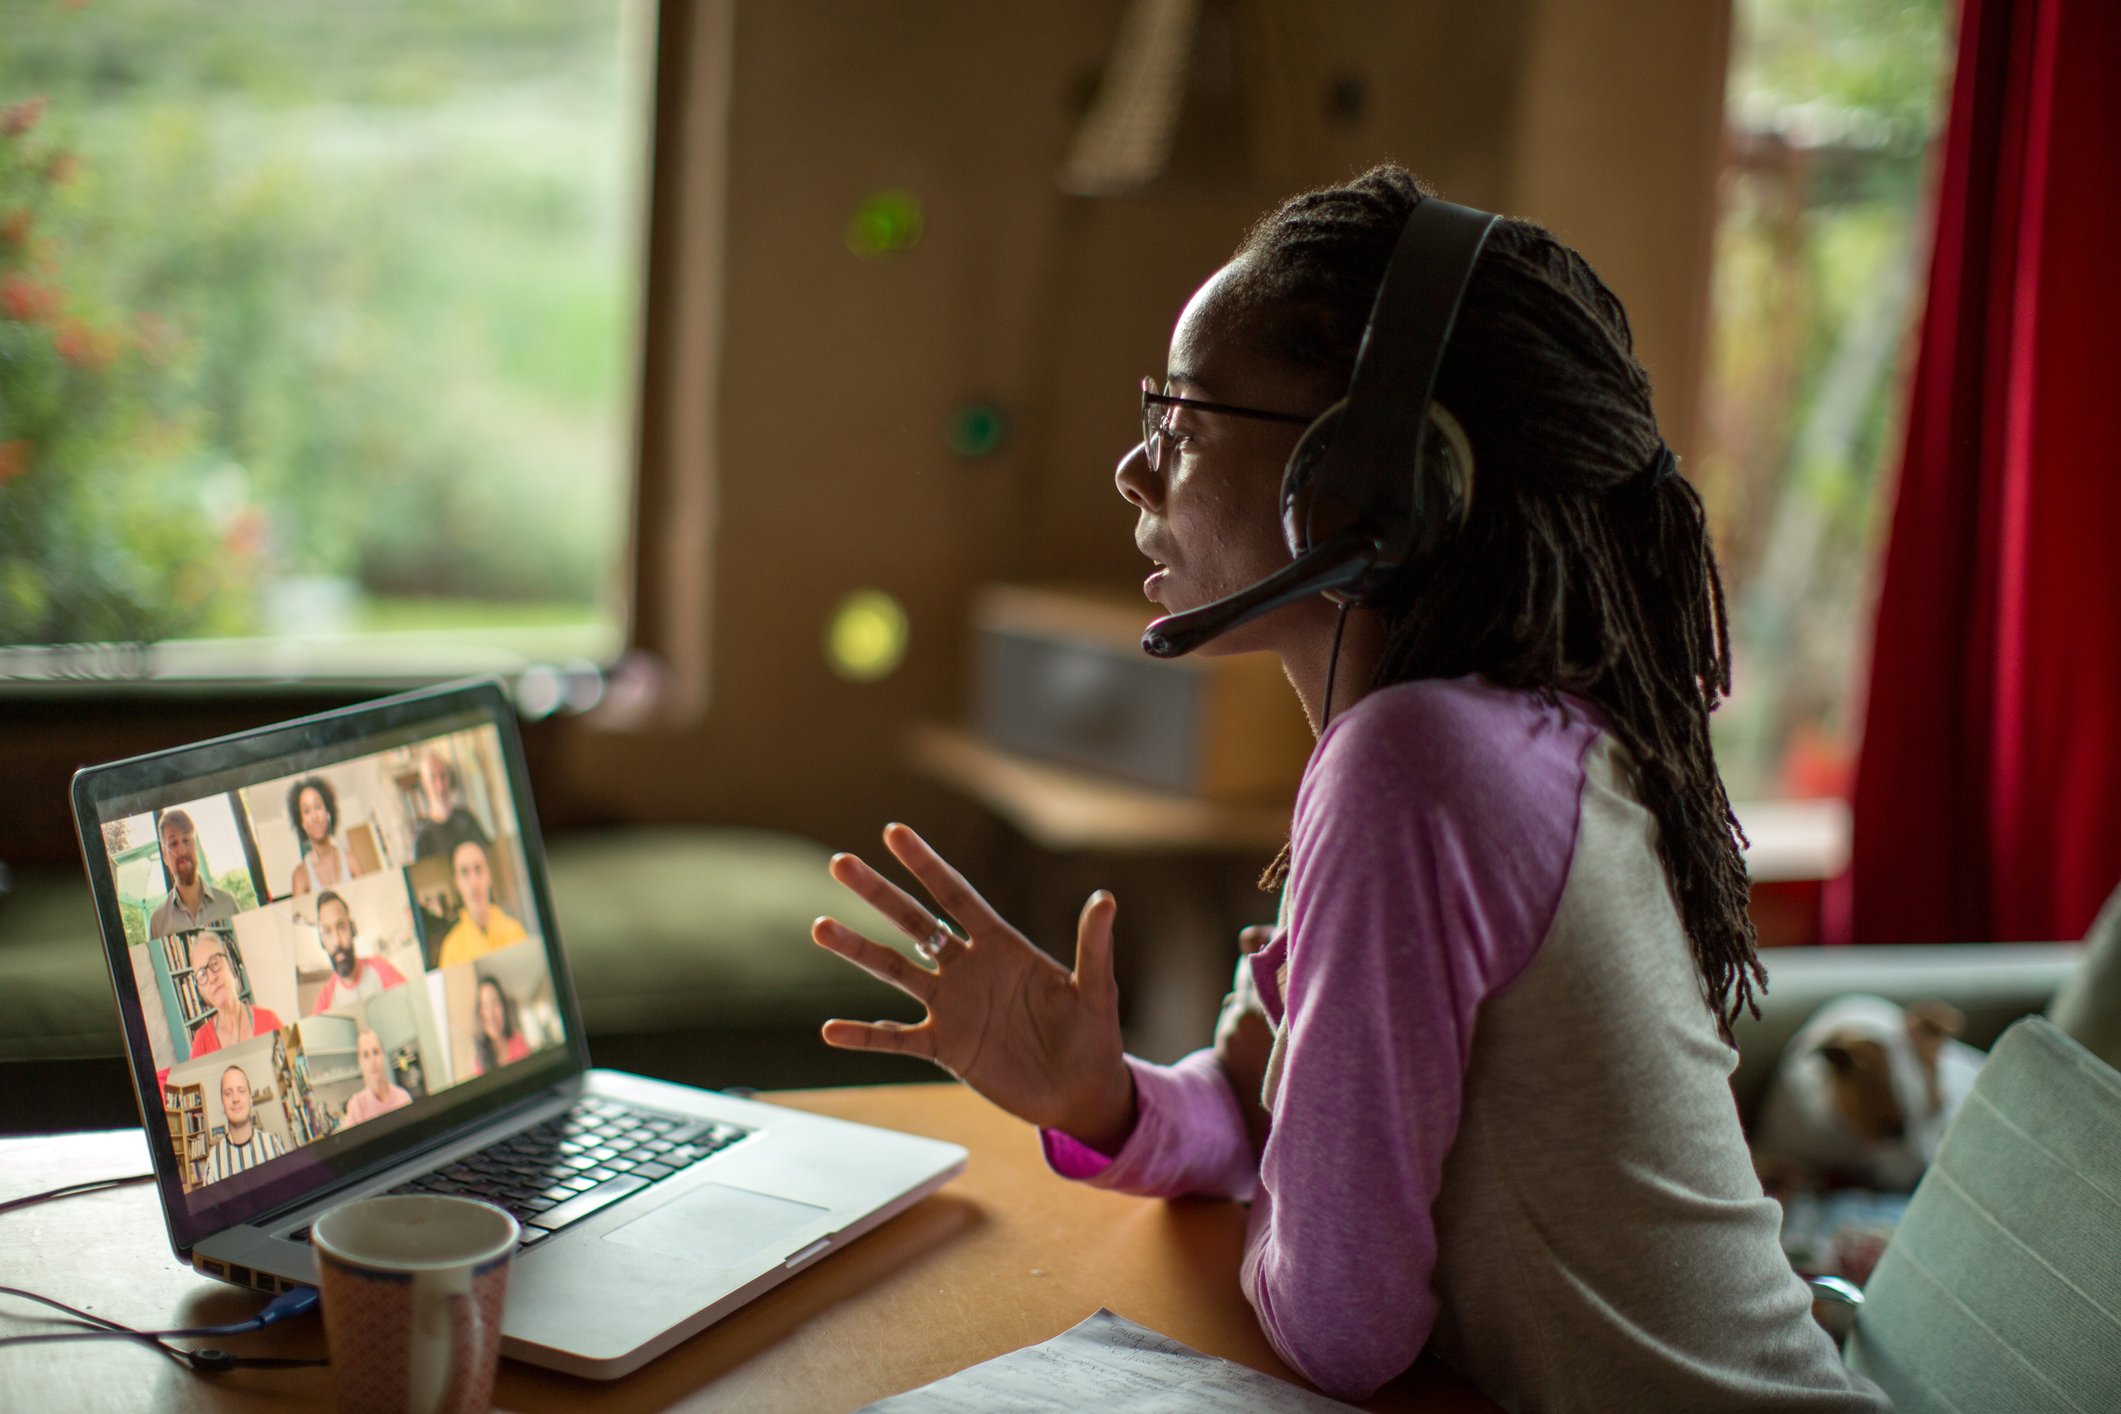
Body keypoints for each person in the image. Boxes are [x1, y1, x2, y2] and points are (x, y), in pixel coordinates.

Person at [811, 168, 1886, 1408]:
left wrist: (1281, 1162)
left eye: (1182, 420)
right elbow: (1267, 1111)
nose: (1131, 470)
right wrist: (1103, 1098)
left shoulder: (1419, 766)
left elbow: (1340, 1323)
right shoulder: (1511, 733)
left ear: (1370, 484)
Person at [186, 930, 283, 1058]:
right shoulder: (201, 1041)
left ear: (232, 964)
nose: (212, 978)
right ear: (201, 992)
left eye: (215, 963)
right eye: (202, 974)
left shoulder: (269, 1020)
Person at [309, 891, 408, 1014]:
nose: (336, 941)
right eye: (328, 932)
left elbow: (411, 1005)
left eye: (341, 927)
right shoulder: (323, 1002)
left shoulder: (379, 967)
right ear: (322, 941)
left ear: (353, 930)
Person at [434, 839, 528, 969]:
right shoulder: (451, 950)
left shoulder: (515, 932)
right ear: (457, 883)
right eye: (464, 872)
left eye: (478, 869)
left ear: (488, 876)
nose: (474, 882)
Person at [148, 809, 237, 938]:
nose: (182, 851)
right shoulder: (157, 923)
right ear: (165, 857)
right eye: (173, 843)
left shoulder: (228, 904)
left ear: (195, 847)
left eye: (186, 840)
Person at [203, 1064, 286, 1183]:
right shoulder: (214, 1159)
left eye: (241, 1091)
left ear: (250, 1099)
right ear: (223, 1103)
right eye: (228, 1093)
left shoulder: (272, 1144)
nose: (235, 1099)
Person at [411, 752, 490, 863]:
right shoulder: (423, 839)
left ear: (449, 779)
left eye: (442, 776)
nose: (440, 785)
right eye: (433, 778)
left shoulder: (466, 818)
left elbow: (487, 854)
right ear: (425, 785)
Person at [285, 776, 348, 896]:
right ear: (302, 823)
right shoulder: (300, 876)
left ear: (328, 813)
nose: (314, 816)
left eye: (318, 806)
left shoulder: (351, 861)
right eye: (306, 811)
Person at [341, 1027, 413, 1125]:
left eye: (375, 1052)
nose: (372, 1062)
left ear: (383, 1055)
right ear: (360, 1062)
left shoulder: (403, 1098)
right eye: (366, 1055)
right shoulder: (356, 1106)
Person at [472, 976, 530, 1075]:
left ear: (504, 1006)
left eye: (495, 1003)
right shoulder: (479, 1063)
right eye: (484, 1005)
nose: (490, 1014)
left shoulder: (518, 1040)